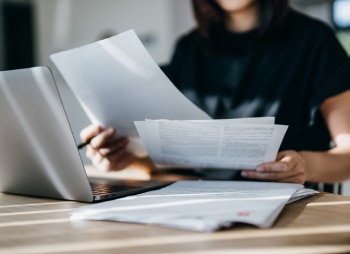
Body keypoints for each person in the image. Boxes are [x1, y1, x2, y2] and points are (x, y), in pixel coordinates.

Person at [80, 0, 350, 185]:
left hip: (286, 208)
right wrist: (126, 159)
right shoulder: (188, 49)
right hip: (195, 202)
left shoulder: (315, 42)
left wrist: (305, 165)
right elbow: (174, 159)